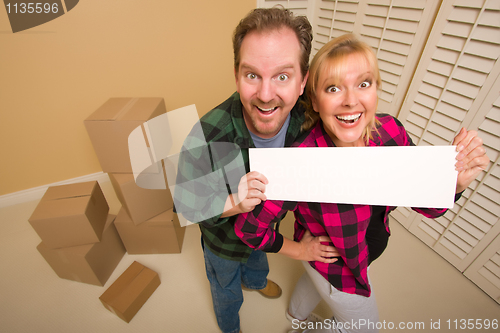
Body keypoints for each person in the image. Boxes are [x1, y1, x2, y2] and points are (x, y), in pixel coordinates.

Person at [234, 34, 490, 333]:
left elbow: (429, 207)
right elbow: (248, 229)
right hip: (337, 267)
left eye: (363, 84)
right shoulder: (299, 161)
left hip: (362, 251)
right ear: (315, 100)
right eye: (333, 88)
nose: (351, 100)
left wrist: (454, 183)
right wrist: (299, 251)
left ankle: (295, 319)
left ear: (376, 89)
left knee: (313, 281)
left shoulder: (390, 132)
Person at [174, 8, 337, 333]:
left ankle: (257, 281)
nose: (265, 95)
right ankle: (229, 325)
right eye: (253, 75)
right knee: (226, 287)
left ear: (303, 81)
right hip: (223, 243)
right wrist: (236, 201)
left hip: (266, 232)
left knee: (257, 262)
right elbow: (185, 206)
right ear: (237, 76)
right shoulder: (207, 134)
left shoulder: (311, 118)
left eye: (282, 76)